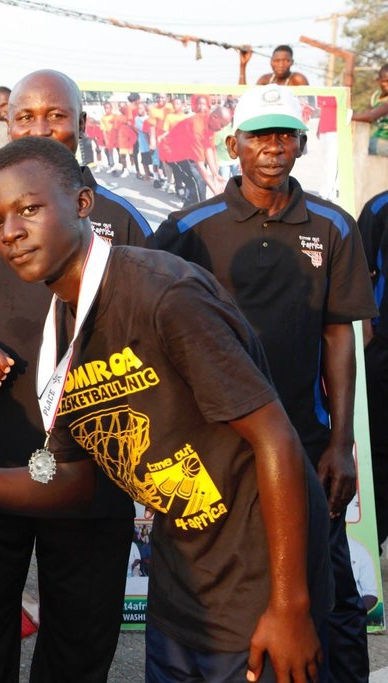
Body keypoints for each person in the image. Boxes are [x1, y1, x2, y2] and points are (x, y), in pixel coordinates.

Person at [0, 135, 333, 682]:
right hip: (185, 578)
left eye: (29, 210)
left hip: (260, 575)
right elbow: (75, 481)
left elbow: (275, 437)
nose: (10, 233)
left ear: (83, 204)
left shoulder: (163, 294)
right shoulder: (65, 322)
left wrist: (290, 606)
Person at [0, 69, 151, 683]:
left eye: (56, 115)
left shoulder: (123, 223)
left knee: (81, 628)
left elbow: (154, 338)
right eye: (25, 117)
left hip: (93, 463)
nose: (40, 128)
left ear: (82, 126)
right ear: (5, 123)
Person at [156, 83, 378, 682]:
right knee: (215, 589)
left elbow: (340, 336)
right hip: (213, 450)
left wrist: (340, 443)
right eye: (260, 136)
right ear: (234, 145)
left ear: (302, 145)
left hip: (305, 445)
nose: (273, 148)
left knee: (326, 591)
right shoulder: (188, 228)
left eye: (284, 136)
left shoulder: (333, 227)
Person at [357, 189, 388, 550]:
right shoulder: (379, 208)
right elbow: (359, 276)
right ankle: (370, 547)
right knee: (379, 452)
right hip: (383, 356)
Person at [156, 98, 230, 207]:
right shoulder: (197, 128)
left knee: (196, 184)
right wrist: (215, 190)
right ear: (215, 117)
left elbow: (208, 149)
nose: (221, 129)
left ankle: (187, 212)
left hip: (185, 152)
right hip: (171, 153)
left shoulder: (210, 124)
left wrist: (215, 174)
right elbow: (200, 165)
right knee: (197, 181)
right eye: (221, 125)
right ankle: (203, 213)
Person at [352, 64, 388, 156]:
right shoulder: (375, 96)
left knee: (363, 146)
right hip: (378, 138)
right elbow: (366, 115)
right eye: (385, 81)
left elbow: (370, 117)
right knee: (357, 145)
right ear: (378, 81)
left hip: (384, 141)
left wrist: (348, 115)